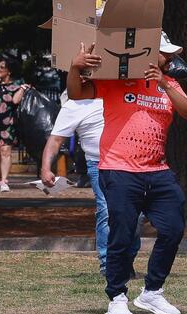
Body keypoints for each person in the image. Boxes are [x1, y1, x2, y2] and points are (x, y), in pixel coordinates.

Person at [67, 34, 187, 314]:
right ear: (150, 53)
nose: (172, 58)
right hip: (119, 170)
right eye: (167, 53)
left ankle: (152, 293)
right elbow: (77, 93)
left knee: (173, 229)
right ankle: (117, 296)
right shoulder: (118, 80)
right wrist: (75, 68)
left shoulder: (170, 83)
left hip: (157, 171)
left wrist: (163, 82)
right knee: (122, 235)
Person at [38, 93, 138, 274]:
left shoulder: (119, 93)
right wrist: (46, 168)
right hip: (99, 163)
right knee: (107, 211)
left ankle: (126, 259)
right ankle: (109, 264)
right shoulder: (73, 105)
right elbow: (55, 140)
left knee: (135, 215)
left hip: (132, 163)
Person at [0, 56, 26, 192]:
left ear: (9, 71)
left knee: (5, 151)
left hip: (7, 124)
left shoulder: (16, 87)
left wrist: (22, 89)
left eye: (1, 67)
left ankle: (4, 180)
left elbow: (15, 102)